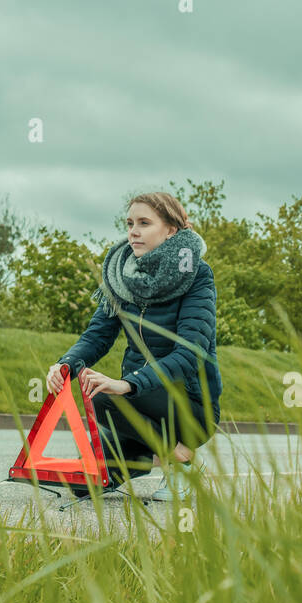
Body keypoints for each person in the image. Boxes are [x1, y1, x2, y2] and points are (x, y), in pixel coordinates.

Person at [46, 192, 222, 501]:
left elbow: (190, 353)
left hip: (188, 407)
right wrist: (66, 365)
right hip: (137, 403)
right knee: (83, 484)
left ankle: (183, 461)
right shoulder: (120, 277)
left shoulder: (197, 275)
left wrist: (128, 384)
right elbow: (97, 336)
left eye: (144, 223)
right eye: (129, 223)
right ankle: (167, 456)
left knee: (103, 397)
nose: (133, 231)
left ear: (171, 230)